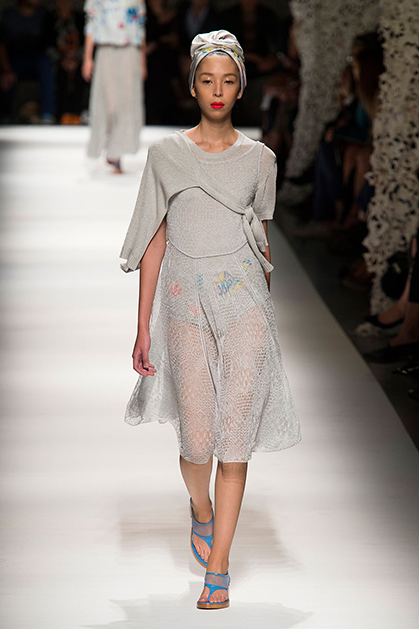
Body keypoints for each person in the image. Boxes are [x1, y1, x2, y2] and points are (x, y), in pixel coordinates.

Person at [120, 30, 301, 609]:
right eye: (207, 80)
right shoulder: (166, 156)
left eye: (227, 80)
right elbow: (154, 240)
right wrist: (143, 326)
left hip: (245, 305)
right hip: (184, 303)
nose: (217, 90)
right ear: (193, 86)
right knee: (197, 441)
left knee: (234, 437)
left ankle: (218, 565)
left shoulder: (261, 160)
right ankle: (200, 508)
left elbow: (262, 240)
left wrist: (269, 316)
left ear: (240, 87)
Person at [82, 0, 147, 173]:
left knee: (126, 105)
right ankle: (108, 146)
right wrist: (88, 57)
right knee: (108, 105)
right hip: (105, 50)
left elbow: (140, 27)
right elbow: (92, 24)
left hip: (130, 51)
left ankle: (116, 154)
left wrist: (142, 61)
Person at [0, 0, 56, 124]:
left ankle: (48, 114)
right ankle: (4, 115)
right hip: (15, 59)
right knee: (6, 76)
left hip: (38, 59)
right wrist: (6, 69)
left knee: (45, 64)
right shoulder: (10, 15)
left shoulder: (44, 14)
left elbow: (51, 43)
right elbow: (2, 45)